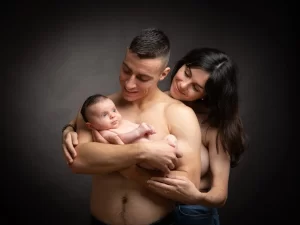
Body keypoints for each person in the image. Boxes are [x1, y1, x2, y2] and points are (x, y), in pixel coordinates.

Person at [63, 47, 247, 225]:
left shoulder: (213, 127)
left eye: (195, 87)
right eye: (187, 73)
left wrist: (195, 196)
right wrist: (69, 128)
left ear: (206, 95)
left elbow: (220, 195)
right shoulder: (157, 102)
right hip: (167, 207)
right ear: (180, 65)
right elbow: (87, 118)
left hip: (195, 213)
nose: (183, 85)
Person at [61, 28, 202, 225]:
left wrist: (128, 170)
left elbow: (188, 183)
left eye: (142, 78)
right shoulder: (97, 107)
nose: (129, 84)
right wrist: (142, 151)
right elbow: (79, 160)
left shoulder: (179, 114)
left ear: (163, 74)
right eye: (126, 70)